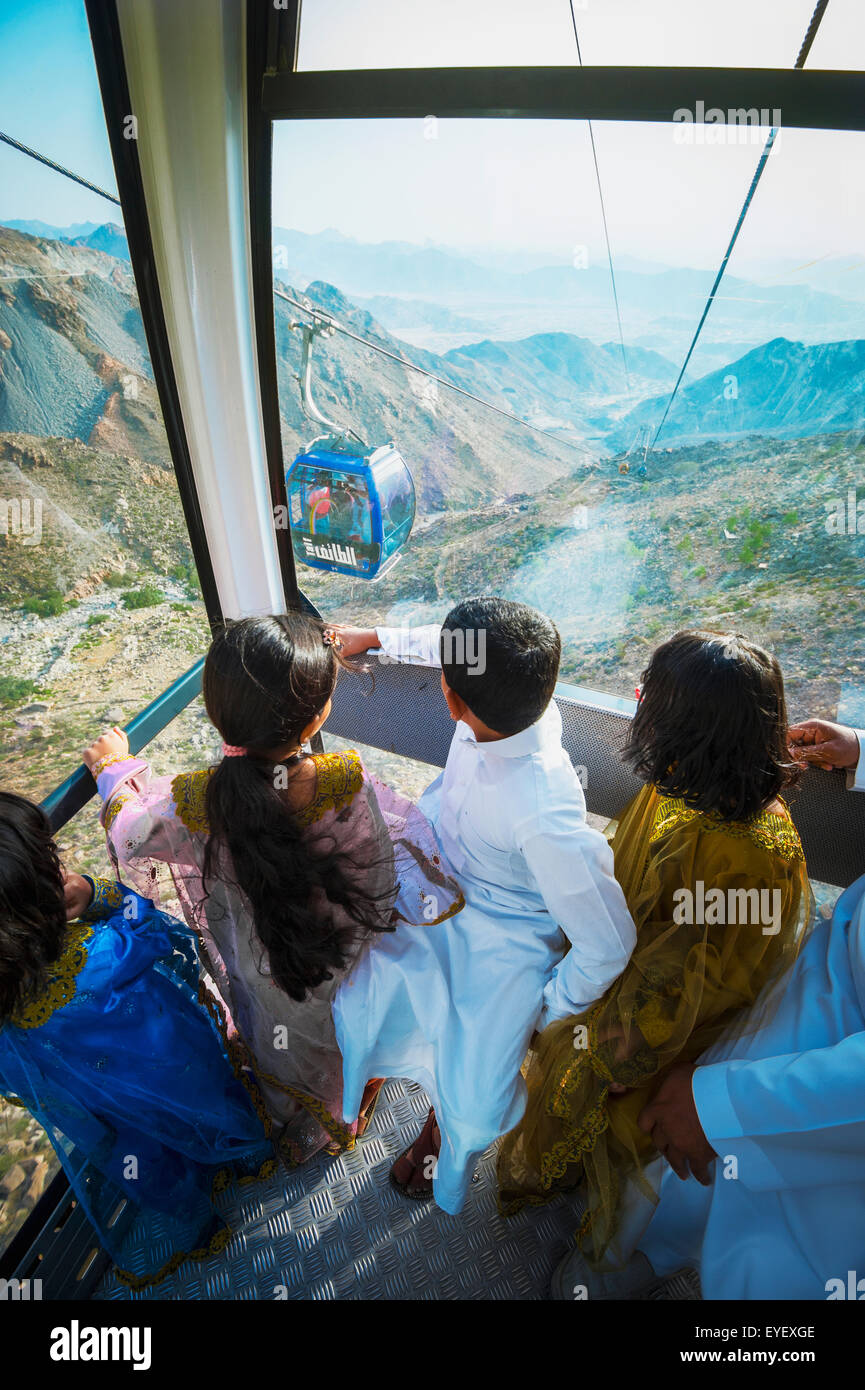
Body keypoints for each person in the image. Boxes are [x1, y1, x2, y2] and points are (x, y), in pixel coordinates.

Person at [82, 613, 462, 1166]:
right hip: (338, 957)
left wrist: (115, 770)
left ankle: (293, 1116)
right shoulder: (344, 783)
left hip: (257, 960)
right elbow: (379, 876)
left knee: (274, 1034)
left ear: (219, 712)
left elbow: (131, 827)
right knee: (335, 1028)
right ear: (315, 719)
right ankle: (344, 1102)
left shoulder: (196, 804)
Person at [496, 630, 812, 1265]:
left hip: (675, 1029)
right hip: (639, 979)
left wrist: (619, 1052)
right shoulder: (690, 786)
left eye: (650, 700)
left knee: (566, 1060)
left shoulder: (744, 856)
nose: (637, 702)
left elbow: (695, 985)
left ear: (683, 734)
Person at [332, 597, 637, 1214]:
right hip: (441, 865)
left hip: (506, 929)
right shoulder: (504, 696)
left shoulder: (546, 813)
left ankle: (442, 1122)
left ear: (450, 702)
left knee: (472, 1080)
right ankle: (384, 1060)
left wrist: (548, 1008)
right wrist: (374, 636)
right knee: (362, 983)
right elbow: (450, 648)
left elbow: (609, 943)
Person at [550, 714, 865, 1301]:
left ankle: (646, 1256)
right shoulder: (698, 812)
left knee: (785, 1244)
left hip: (846, 1039)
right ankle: (646, 1247)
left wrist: (721, 1102)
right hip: (834, 955)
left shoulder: (755, 848)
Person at [0, 791, 272, 1289]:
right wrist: (99, 892)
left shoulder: (7, 1023)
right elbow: (158, 929)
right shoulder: (103, 952)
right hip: (179, 1073)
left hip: (115, 1122)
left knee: (142, 1165)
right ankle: (246, 1153)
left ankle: (197, 1220)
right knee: (213, 1104)